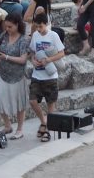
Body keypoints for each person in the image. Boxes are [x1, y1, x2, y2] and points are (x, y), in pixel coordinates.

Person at [0, 13, 29, 143]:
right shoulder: (4, 35)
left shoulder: (23, 39)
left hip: (18, 75)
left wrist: (5, 57)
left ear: (17, 25)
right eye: (6, 26)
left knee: (19, 104)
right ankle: (7, 125)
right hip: (4, 74)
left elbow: (23, 59)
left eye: (10, 27)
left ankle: (20, 129)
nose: (8, 29)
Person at [28, 13, 65, 143]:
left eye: (41, 26)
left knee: (51, 105)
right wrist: (33, 60)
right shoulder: (35, 35)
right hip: (37, 74)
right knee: (33, 101)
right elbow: (32, 52)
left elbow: (61, 53)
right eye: (37, 26)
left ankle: (48, 130)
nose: (39, 29)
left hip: (50, 76)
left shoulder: (53, 35)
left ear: (46, 24)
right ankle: (43, 122)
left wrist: (48, 59)